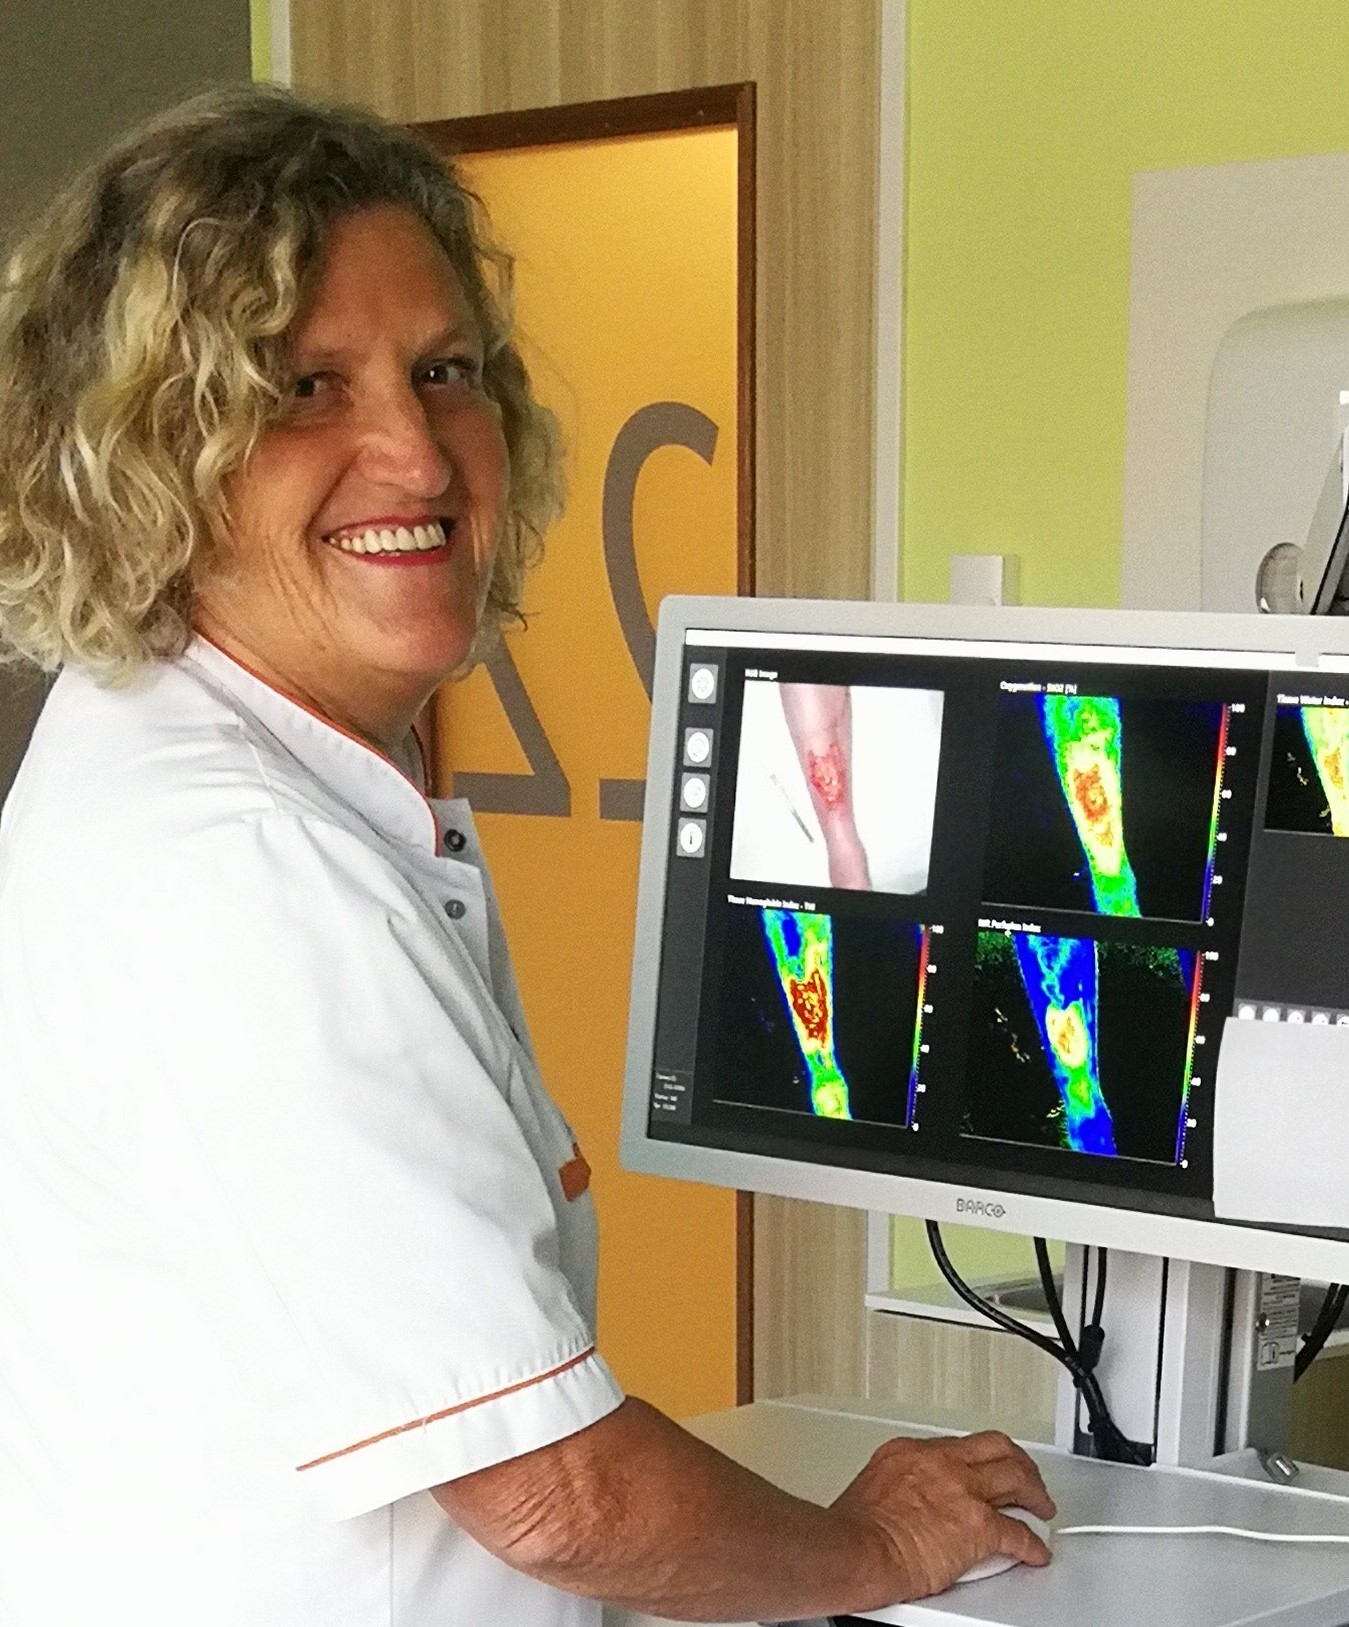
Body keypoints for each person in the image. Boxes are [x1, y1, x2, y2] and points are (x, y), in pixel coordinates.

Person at [0, 85, 1051, 1626]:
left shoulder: (156, 758)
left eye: (446, 374)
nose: (418, 458)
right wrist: (874, 1554)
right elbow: (554, 1498)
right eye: (305, 388)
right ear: (149, 455)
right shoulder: (238, 870)